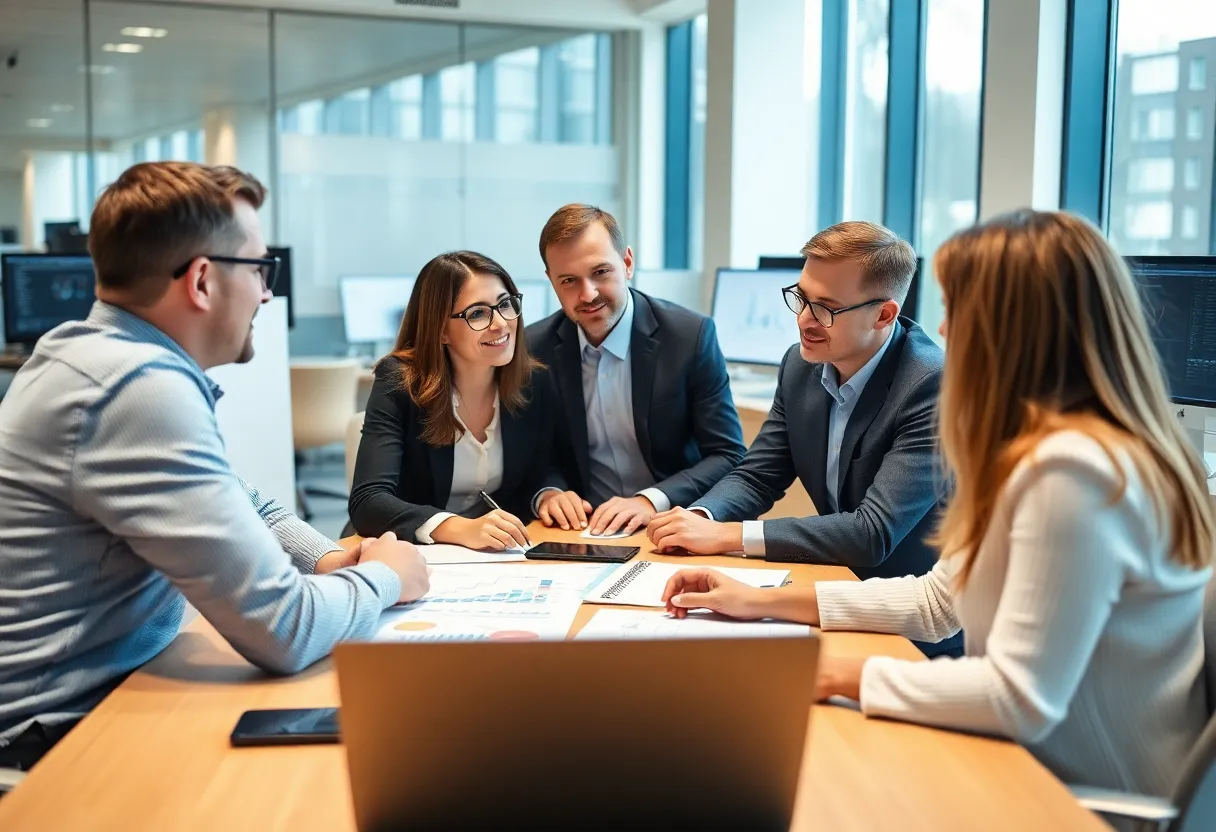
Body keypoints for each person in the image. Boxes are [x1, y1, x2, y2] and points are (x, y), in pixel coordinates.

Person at [660, 209, 1215, 799]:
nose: (943, 331)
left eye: (958, 311)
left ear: (1017, 331)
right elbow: (936, 602)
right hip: (1028, 763)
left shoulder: (1073, 474)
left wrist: (835, 672)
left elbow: (1019, 699)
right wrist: (757, 602)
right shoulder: (1035, 448)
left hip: (1080, 796)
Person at [0, 162, 429, 770]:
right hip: (56, 740)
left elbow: (242, 497)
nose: (267, 292)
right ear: (202, 281)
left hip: (107, 696)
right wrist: (387, 577)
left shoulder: (94, 354)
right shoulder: (135, 389)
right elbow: (288, 630)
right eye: (260, 269)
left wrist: (329, 558)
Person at [647, 222, 944, 581]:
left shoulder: (931, 385)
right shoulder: (800, 365)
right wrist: (701, 518)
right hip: (831, 586)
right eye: (802, 298)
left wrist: (729, 535)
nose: (804, 320)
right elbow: (758, 477)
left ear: (884, 315)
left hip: (909, 614)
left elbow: (872, 533)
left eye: (826, 308)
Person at [527, 204, 746, 537]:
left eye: (600, 272)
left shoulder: (689, 336)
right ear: (551, 281)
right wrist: (549, 493)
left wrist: (649, 501)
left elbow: (727, 454)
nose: (588, 295)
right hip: (581, 532)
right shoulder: (533, 349)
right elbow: (531, 455)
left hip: (673, 524)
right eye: (569, 280)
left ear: (627, 263)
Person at [349, 251, 556, 550]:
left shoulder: (531, 381)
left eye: (505, 304)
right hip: (407, 551)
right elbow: (369, 502)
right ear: (441, 330)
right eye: (477, 313)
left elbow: (541, 470)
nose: (500, 323)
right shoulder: (399, 382)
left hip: (496, 557)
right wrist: (458, 527)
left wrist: (549, 494)